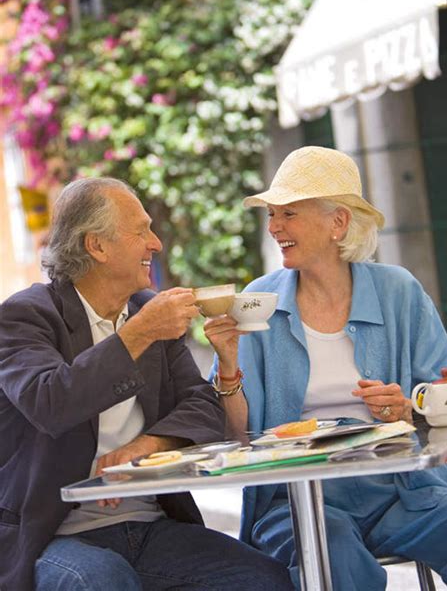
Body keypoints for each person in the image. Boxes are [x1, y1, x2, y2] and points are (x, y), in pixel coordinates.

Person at [0, 177, 294, 591]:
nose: (155, 243)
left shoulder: (143, 311)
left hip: (150, 525)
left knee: (264, 578)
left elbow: (201, 404)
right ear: (96, 246)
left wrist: (147, 447)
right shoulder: (26, 316)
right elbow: (50, 402)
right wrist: (138, 333)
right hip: (56, 536)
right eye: (141, 231)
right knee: (104, 579)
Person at [205, 146, 447, 591]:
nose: (274, 227)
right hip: (298, 502)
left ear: (338, 222)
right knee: (331, 556)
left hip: (402, 488)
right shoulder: (258, 301)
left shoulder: (400, 292)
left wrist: (407, 409)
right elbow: (236, 437)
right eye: (272, 215)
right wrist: (229, 368)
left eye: (288, 213)